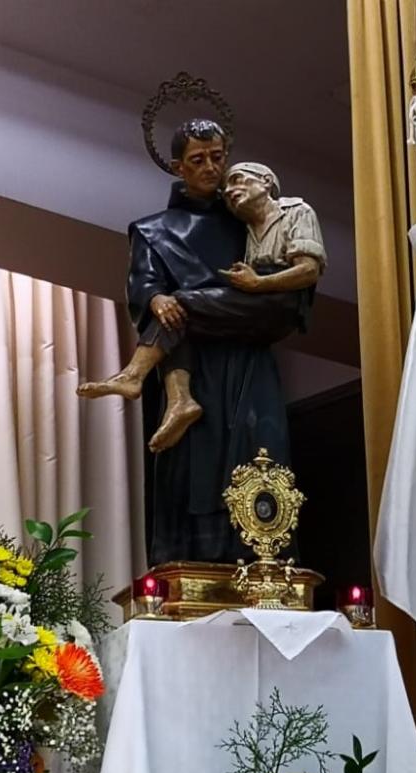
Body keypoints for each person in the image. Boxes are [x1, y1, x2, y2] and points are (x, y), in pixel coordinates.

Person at [76, 119, 318, 566]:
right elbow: (143, 288)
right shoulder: (152, 231)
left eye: (218, 157)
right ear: (177, 167)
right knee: (193, 467)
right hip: (193, 360)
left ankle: (267, 559)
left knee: (260, 451)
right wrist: (155, 295)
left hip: (247, 355)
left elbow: (294, 273)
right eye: (197, 160)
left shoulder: (250, 217)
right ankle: (193, 566)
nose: (211, 168)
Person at [79, 160, 326, 454]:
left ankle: (134, 376)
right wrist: (156, 298)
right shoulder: (245, 226)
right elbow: (144, 282)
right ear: (178, 166)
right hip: (255, 302)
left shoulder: (295, 211)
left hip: (278, 301)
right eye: (229, 185)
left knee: (181, 303)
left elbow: (309, 270)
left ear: (267, 182)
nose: (231, 189)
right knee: (176, 316)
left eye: (238, 179)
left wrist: (257, 283)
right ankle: (180, 399)